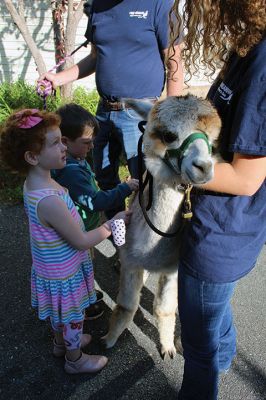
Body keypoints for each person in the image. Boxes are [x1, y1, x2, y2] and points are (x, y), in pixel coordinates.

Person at [169, 1, 266, 399]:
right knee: (214, 311)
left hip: (221, 234)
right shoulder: (249, 44)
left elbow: (246, 179)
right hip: (215, 224)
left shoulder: (262, 64)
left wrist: (172, 160)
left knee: (197, 346)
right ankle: (224, 359)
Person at [0, 109, 131, 374]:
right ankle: (75, 359)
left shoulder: (35, 184)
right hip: (64, 274)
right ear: (32, 156)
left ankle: (61, 343)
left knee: (59, 314)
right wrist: (112, 223)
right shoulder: (49, 200)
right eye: (56, 143)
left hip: (51, 269)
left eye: (62, 140)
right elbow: (82, 241)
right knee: (73, 317)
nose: (64, 147)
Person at [39, 0, 183, 217]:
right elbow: (96, 57)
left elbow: (175, 63)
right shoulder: (98, 6)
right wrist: (57, 79)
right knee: (104, 177)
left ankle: (141, 245)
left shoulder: (159, 4)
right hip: (104, 111)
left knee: (143, 183)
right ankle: (119, 237)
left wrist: (172, 118)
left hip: (140, 114)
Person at [53, 103, 139, 316]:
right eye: (86, 143)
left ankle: (86, 296)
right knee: (80, 269)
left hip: (81, 225)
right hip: (79, 230)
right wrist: (124, 189)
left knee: (84, 266)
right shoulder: (71, 172)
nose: (91, 147)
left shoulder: (75, 160)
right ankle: (83, 305)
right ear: (65, 142)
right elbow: (95, 202)